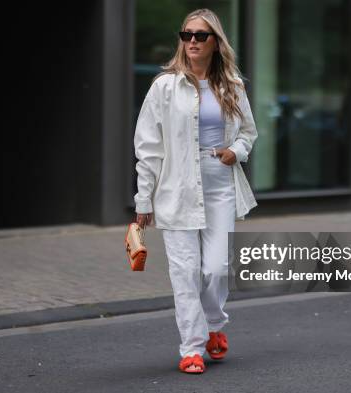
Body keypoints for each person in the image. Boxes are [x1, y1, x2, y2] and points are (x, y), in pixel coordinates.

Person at [133, 8, 258, 374]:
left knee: (217, 269)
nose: (191, 41)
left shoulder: (231, 84)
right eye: (186, 34)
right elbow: (148, 147)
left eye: (200, 35)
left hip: (220, 183)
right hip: (176, 188)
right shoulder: (164, 86)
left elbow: (248, 133)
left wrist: (237, 151)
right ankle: (192, 347)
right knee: (185, 272)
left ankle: (214, 324)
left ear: (216, 42)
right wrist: (144, 199)